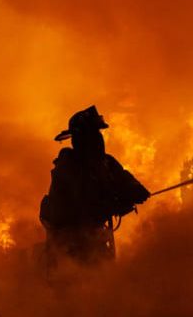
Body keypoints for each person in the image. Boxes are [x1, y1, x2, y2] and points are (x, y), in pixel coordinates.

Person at [40, 106, 150, 264]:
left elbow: (124, 178)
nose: (98, 139)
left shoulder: (106, 162)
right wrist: (117, 204)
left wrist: (136, 191)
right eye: (92, 134)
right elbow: (83, 204)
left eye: (98, 133)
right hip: (69, 248)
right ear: (80, 139)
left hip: (95, 243)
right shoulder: (68, 166)